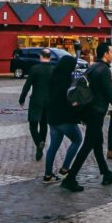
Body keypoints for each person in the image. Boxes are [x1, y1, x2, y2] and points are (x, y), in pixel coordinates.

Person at [61, 43, 112, 192]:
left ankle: (105, 173)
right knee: (88, 145)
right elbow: (110, 94)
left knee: (97, 143)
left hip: (89, 110)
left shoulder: (92, 67)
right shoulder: (104, 70)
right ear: (105, 54)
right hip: (96, 112)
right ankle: (70, 178)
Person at [43, 52, 83, 183]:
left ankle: (48, 175)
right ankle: (65, 169)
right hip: (64, 118)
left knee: (53, 146)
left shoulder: (52, 78)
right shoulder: (68, 81)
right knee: (77, 139)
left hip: (52, 117)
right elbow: (70, 100)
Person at [19, 48, 54, 161]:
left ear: (40, 56)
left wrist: (22, 98)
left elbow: (27, 85)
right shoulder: (54, 69)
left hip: (36, 100)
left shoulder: (35, 69)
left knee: (33, 125)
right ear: (50, 57)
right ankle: (40, 148)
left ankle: (38, 143)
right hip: (49, 102)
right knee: (44, 125)